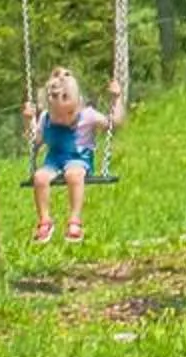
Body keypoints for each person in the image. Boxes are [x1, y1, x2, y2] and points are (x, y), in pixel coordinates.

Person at [24, 66, 120, 243]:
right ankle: (45, 221)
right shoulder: (45, 118)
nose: (63, 119)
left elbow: (114, 124)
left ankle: (75, 221)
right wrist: (29, 121)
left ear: (78, 104)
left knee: (73, 174)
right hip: (54, 160)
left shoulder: (88, 115)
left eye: (68, 114)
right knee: (39, 177)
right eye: (57, 116)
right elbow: (35, 140)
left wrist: (116, 99)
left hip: (79, 159)